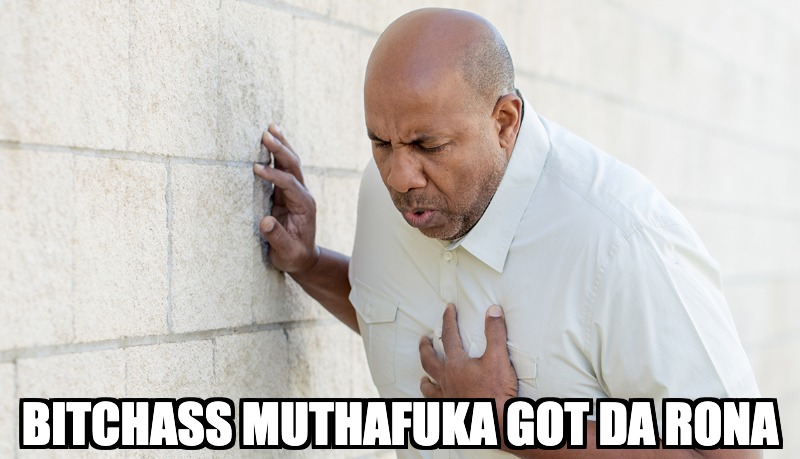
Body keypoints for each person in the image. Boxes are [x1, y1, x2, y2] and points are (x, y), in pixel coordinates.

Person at [252, 7, 761, 459]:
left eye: (429, 146)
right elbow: (395, 314)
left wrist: (510, 425)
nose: (399, 177)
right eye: (381, 143)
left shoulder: (623, 241)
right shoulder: (391, 192)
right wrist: (309, 264)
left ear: (503, 122)